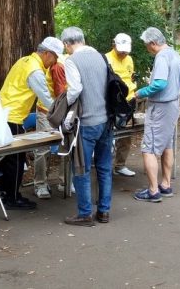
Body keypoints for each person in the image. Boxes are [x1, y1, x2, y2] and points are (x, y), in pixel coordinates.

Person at [0, 37, 64, 209]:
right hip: (13, 117)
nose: (54, 62)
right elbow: (47, 99)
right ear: (47, 54)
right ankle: (13, 198)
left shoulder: (23, 60)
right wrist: (63, 115)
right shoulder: (35, 71)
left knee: (5, 158)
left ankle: (4, 193)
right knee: (16, 159)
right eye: (55, 57)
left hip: (1, 113)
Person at [61, 26, 112, 226]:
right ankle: (104, 212)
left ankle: (84, 214)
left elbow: (75, 89)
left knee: (81, 167)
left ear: (67, 44)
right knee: (105, 167)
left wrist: (65, 110)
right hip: (106, 120)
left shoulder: (71, 60)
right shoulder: (101, 56)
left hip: (87, 122)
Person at [134, 27, 180, 203]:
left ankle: (153, 190)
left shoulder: (162, 57)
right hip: (173, 105)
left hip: (161, 107)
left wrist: (141, 92)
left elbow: (160, 83)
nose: (146, 48)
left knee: (149, 148)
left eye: (146, 45)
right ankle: (165, 184)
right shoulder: (175, 55)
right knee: (167, 145)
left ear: (153, 43)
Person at [34, 48, 66, 199]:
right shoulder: (56, 66)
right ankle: (40, 184)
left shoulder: (69, 60)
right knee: (42, 149)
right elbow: (60, 91)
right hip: (46, 111)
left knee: (67, 146)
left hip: (64, 110)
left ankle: (65, 181)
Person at [106, 33, 137, 177]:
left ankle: (120, 165)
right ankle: (105, 165)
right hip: (112, 102)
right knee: (107, 134)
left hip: (129, 101)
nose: (124, 53)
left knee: (126, 135)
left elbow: (131, 77)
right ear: (113, 45)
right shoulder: (106, 58)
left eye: (126, 50)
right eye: (121, 49)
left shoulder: (129, 59)